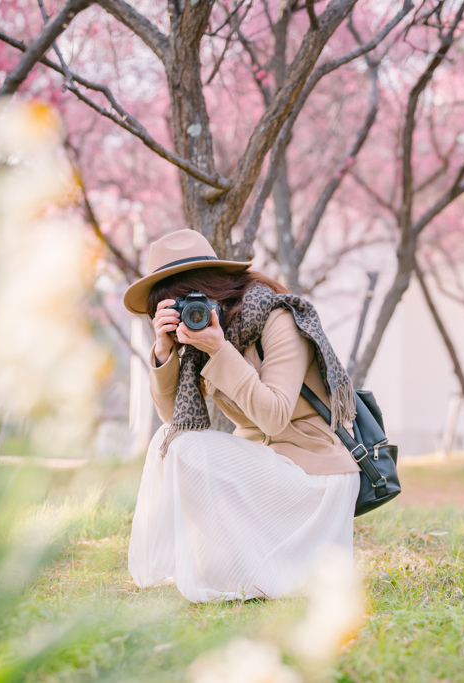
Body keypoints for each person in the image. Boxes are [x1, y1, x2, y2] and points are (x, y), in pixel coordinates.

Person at [122, 229, 360, 603]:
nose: (188, 313)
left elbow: (275, 418)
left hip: (313, 476)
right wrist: (165, 351)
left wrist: (219, 351)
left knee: (190, 450)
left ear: (212, 288)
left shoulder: (276, 318)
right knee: (171, 443)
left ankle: (244, 573)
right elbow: (174, 419)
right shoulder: (199, 343)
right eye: (171, 307)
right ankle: (219, 568)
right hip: (266, 470)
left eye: (190, 300)